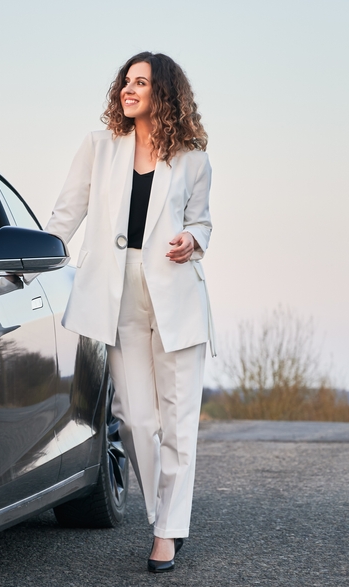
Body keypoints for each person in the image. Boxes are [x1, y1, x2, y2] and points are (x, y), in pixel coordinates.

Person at [44, 51, 214, 573]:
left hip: (177, 297)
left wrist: (193, 239)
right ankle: (166, 514)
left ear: (163, 93)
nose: (128, 89)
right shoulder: (99, 147)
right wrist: (36, 260)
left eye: (141, 82)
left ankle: (166, 533)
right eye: (126, 81)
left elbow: (203, 222)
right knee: (136, 418)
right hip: (116, 295)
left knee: (179, 424)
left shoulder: (193, 159)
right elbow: (66, 212)